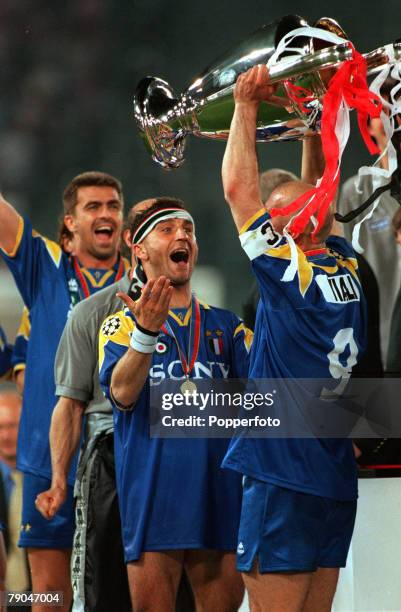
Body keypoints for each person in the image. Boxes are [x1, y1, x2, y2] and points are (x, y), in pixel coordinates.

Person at [221, 64, 366, 612]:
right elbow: (317, 205)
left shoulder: (288, 274)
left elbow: (239, 189)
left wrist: (245, 106)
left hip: (283, 470)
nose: (307, 216)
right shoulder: (345, 264)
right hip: (332, 474)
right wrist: (313, 127)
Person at [99, 199, 252, 611]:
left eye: (188, 229)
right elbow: (123, 394)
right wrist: (146, 334)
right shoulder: (120, 325)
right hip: (153, 502)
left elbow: (264, 399)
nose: (182, 235)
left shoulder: (229, 327)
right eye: (167, 229)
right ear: (141, 251)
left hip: (219, 501)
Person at [0, 171, 128, 610]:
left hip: (122, 461)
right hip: (48, 460)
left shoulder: (143, 283)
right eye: (93, 207)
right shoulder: (47, 267)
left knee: (121, 593)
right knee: (50, 596)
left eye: (113, 205)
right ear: (70, 222)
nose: (106, 213)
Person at [339, 76, 401, 365]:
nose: (391, 119)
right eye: (383, 112)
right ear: (369, 125)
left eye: (396, 111)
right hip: (384, 342)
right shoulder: (357, 192)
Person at [0, 383, 30, 600]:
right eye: (0, 427)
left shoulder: (44, 481)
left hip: (37, 593)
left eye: (13, 425)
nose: (6, 435)